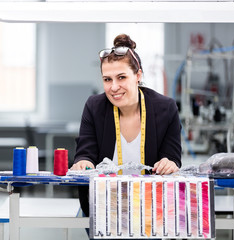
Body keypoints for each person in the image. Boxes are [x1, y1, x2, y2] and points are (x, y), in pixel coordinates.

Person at [70, 34, 182, 217]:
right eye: (107, 79)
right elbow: (85, 152)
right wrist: (83, 163)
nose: (114, 87)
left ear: (138, 75)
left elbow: (172, 157)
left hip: (149, 209)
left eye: (121, 77)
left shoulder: (166, 108)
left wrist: (168, 163)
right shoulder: (94, 107)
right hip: (103, 208)